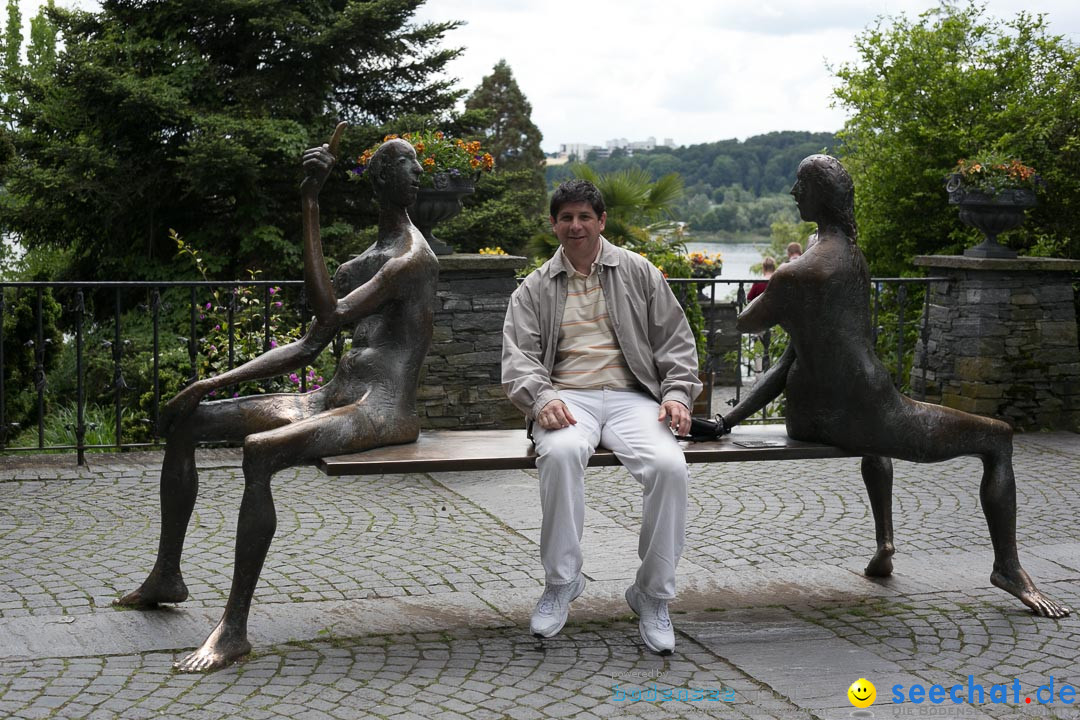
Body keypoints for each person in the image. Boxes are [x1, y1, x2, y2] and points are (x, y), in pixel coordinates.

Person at [115, 125, 443, 670]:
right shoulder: (362, 264)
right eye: (405, 163)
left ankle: (233, 630)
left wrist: (309, 206)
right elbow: (310, 343)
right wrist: (209, 384)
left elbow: (330, 315)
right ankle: (166, 575)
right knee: (188, 422)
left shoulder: (414, 259)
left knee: (261, 450)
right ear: (379, 180)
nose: (418, 172)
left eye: (415, 164)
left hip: (383, 408)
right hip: (335, 395)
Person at [721, 154, 1069, 619]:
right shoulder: (845, 258)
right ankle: (1007, 567)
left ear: (819, 196)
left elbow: (756, 332)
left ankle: (885, 543)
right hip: (860, 415)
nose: (793, 192)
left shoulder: (799, 272)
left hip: (821, 415)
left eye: (800, 184)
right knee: (997, 437)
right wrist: (724, 421)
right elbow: (780, 351)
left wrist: (726, 419)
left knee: (882, 439)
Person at [502, 180, 701, 655]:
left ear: (601, 221)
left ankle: (652, 596)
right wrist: (539, 398)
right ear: (553, 224)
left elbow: (676, 342)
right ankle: (562, 583)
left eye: (584, 217)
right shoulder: (534, 289)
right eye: (566, 217)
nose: (575, 226)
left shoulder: (638, 272)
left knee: (670, 467)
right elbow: (518, 359)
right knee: (562, 454)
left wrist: (676, 394)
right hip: (568, 396)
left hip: (634, 396)